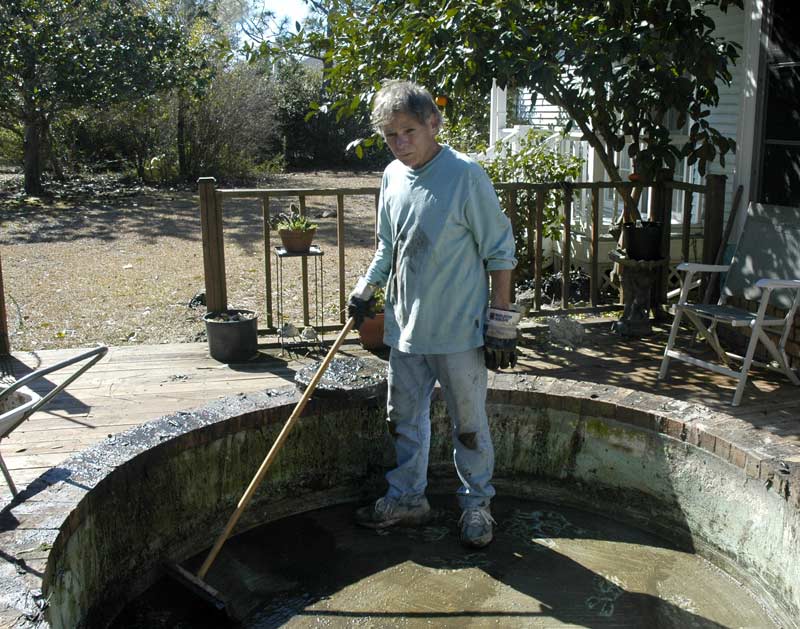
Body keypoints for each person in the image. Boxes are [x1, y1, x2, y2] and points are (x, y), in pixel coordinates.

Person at [347, 80, 520, 549]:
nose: (400, 144)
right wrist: (366, 290)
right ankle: (407, 500)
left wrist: (501, 324)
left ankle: (477, 506)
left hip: (459, 331)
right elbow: (388, 245)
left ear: (433, 124)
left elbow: (500, 252)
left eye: (408, 131)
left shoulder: (466, 175)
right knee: (403, 420)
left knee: (468, 425)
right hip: (405, 329)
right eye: (390, 135)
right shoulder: (391, 176)